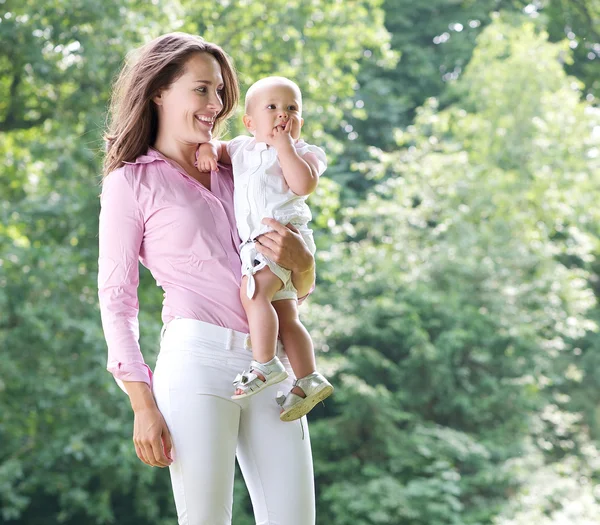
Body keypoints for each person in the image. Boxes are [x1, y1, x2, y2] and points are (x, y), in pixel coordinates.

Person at [98, 32, 317, 525]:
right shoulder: (131, 181)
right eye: (201, 89)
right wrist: (141, 402)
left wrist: (303, 261)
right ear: (159, 91)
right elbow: (116, 300)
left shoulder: (245, 165)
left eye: (220, 92)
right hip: (195, 361)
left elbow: (296, 285)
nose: (216, 104)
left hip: (271, 362)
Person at [196, 76, 333, 421]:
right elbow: (219, 148)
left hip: (280, 238)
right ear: (250, 122)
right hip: (261, 244)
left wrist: (285, 146)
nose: (282, 115)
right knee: (287, 315)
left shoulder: (304, 152)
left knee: (253, 294)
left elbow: (303, 184)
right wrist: (207, 148)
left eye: (292, 109)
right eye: (272, 108)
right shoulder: (243, 148)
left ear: (301, 121)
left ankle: (265, 364)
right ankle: (307, 379)